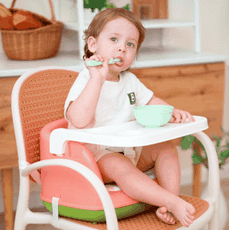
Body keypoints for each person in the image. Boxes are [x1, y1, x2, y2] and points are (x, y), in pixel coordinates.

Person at [65, 8, 196, 227]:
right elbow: (78, 120)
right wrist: (97, 80)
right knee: (119, 165)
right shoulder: (86, 79)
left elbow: (151, 101)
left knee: (165, 147)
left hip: (128, 150)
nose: (121, 48)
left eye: (130, 44)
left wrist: (171, 111)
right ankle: (170, 200)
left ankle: (167, 201)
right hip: (95, 157)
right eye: (114, 39)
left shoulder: (130, 80)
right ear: (93, 45)